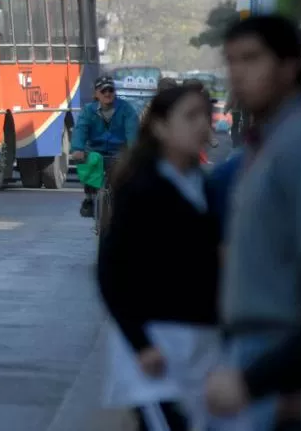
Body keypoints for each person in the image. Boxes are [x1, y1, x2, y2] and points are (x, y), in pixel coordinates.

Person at [207, 19, 301, 431]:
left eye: (252, 59)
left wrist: (294, 380)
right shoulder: (268, 139)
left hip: (284, 347)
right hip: (256, 348)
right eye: (231, 61)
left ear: (288, 66)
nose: (239, 73)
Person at [98, 84, 221, 431]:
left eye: (205, 116)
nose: (201, 125)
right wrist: (141, 343)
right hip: (157, 348)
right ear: (160, 127)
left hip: (200, 347)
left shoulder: (203, 185)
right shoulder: (142, 189)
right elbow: (111, 273)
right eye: (190, 116)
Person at [71, 76, 140, 217]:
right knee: (90, 162)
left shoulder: (126, 109)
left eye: (111, 90)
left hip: (119, 152)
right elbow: (80, 130)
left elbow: (132, 132)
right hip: (95, 152)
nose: (107, 93)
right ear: (96, 94)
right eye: (103, 90)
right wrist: (77, 149)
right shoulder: (88, 111)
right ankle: (89, 198)